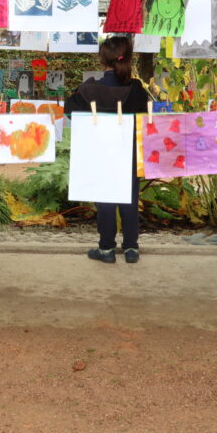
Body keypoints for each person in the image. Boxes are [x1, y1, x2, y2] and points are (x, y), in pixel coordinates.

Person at [65, 36, 148, 264]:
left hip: (100, 154)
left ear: (103, 61)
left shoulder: (88, 90)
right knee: (130, 199)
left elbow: (69, 111)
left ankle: (106, 250)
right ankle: (131, 249)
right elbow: (146, 119)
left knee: (105, 200)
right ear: (129, 59)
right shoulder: (137, 90)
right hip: (129, 155)